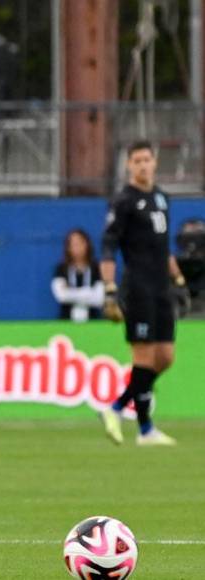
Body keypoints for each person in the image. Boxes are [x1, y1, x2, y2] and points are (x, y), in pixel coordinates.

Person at [99, 141, 191, 447]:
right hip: (137, 288)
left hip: (161, 287)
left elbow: (163, 248)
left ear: (155, 162)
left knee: (165, 357)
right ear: (128, 166)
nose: (142, 165)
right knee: (144, 356)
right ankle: (145, 429)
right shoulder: (123, 201)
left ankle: (114, 407)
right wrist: (110, 290)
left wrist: (177, 278)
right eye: (136, 160)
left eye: (146, 160)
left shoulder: (162, 198)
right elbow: (109, 246)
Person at [51, 229, 104, 322]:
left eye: (80, 243)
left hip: (93, 322)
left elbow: (99, 298)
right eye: (73, 244)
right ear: (68, 247)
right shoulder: (61, 269)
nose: (77, 247)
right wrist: (89, 293)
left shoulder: (97, 268)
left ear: (87, 244)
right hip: (66, 322)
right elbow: (61, 296)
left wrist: (70, 292)